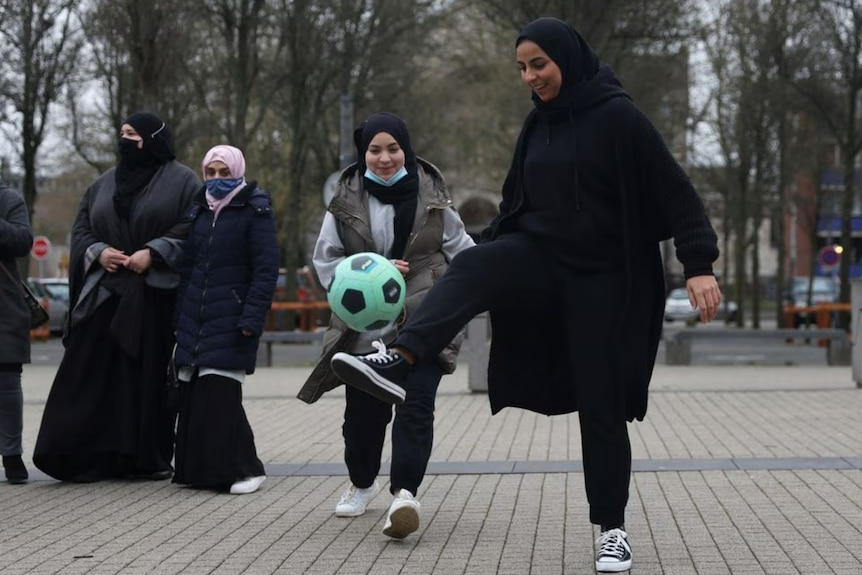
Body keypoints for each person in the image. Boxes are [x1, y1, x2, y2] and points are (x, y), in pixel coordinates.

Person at [329, 18, 722, 573]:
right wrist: (479, 252)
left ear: (566, 57)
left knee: (601, 404)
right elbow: (516, 208)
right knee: (476, 263)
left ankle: (612, 530)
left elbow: (675, 190)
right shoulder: (537, 126)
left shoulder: (618, 117)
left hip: (604, 279)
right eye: (522, 67)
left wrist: (698, 263)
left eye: (538, 64)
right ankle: (402, 359)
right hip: (541, 257)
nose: (529, 77)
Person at [298, 112, 475, 538]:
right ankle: (361, 483)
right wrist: (371, 269)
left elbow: (464, 251)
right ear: (363, 154)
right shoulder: (345, 200)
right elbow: (326, 260)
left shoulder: (434, 196)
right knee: (362, 417)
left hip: (424, 319)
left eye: (393, 149)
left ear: (406, 149)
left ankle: (405, 495)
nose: (384, 158)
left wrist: (451, 293)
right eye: (374, 150)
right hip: (364, 325)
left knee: (416, 407)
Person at [33, 112, 200, 482]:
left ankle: (142, 459)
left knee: (144, 382)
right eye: (122, 134)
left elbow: (193, 226)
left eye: (133, 134)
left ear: (153, 139)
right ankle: (76, 455)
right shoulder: (102, 184)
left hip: (154, 298)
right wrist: (99, 252)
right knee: (85, 374)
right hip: (104, 296)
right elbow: (82, 230)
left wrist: (153, 252)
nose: (125, 140)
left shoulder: (184, 180)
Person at [171, 144, 278, 495]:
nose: (217, 179)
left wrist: (251, 317)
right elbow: (189, 269)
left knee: (222, 398)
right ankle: (199, 472)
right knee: (196, 397)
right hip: (195, 321)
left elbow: (265, 271)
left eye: (224, 172)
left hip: (232, 318)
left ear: (238, 172)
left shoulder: (255, 210)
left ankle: (246, 469)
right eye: (211, 173)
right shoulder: (198, 211)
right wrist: (180, 316)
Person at [0, 177, 34, 484]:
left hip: (4, 308)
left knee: (7, 381)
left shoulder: (9, 198)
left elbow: (23, 241)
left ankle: (11, 455)